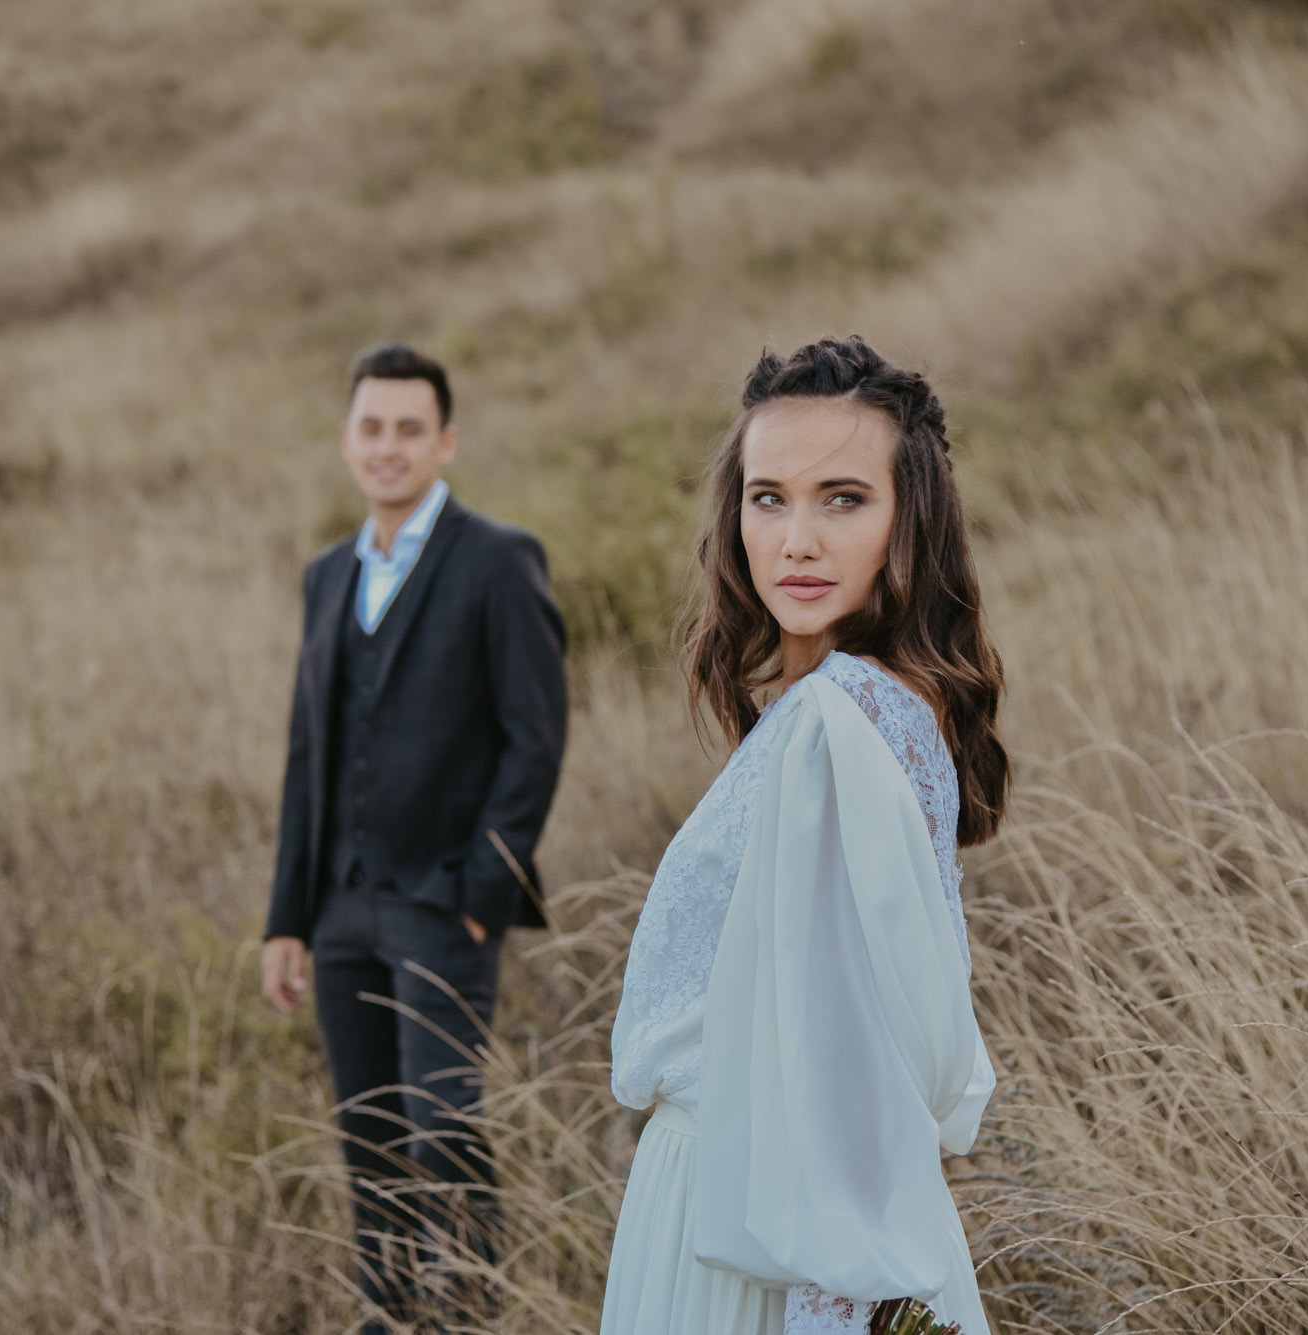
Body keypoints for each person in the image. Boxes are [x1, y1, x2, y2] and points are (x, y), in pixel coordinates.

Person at [601, 336, 1010, 1335]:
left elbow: (851, 1069)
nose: (795, 541)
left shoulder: (840, 723)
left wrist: (835, 1309)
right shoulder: (855, 707)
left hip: (762, 1229)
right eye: (768, 498)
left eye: (842, 499)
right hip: (738, 1199)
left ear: (908, 521)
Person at [260, 344, 568, 1335]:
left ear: (445, 441)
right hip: (341, 909)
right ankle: (389, 1319)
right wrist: (288, 918)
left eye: (408, 428)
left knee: (444, 1130)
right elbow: (307, 752)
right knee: (371, 1141)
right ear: (346, 440)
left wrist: (483, 893)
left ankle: (473, 1316)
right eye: (371, 427)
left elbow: (535, 738)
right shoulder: (326, 575)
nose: (387, 446)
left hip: (445, 905)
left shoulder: (497, 560)